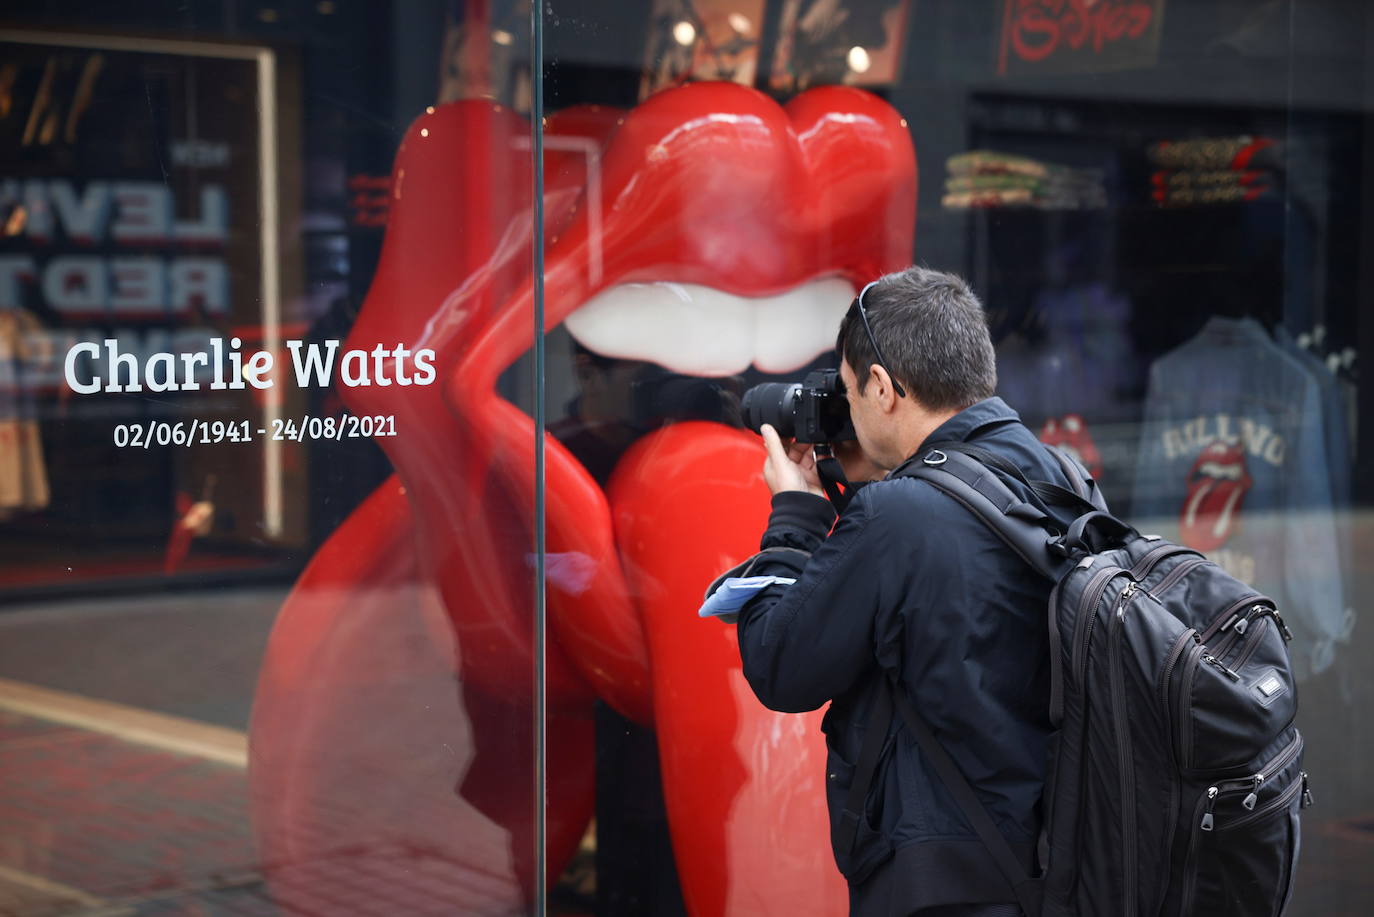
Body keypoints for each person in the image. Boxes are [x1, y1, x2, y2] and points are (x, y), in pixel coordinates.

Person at [733, 266, 1082, 917]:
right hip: (1054, 868)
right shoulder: (1062, 477)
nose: (848, 410)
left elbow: (781, 667)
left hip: (941, 884)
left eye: (848, 392)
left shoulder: (899, 517)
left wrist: (794, 517)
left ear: (884, 388)